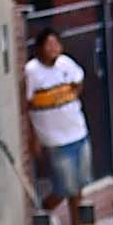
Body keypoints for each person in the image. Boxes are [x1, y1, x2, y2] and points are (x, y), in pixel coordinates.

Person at [22, 24, 91, 214]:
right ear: (40, 48)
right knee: (64, 188)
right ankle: (42, 215)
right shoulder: (32, 72)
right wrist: (33, 138)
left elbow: (79, 79)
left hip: (78, 132)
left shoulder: (65, 64)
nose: (53, 48)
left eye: (56, 44)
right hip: (55, 140)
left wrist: (70, 98)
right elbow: (26, 106)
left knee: (79, 186)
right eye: (49, 44)